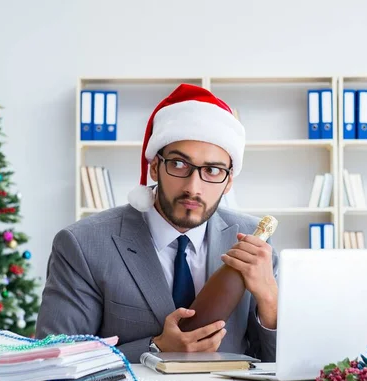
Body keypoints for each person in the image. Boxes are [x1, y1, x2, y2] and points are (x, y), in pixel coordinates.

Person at [35, 83, 279, 363]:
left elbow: (274, 364)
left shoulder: (253, 240)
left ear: (228, 182)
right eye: (178, 164)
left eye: (212, 170)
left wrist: (270, 301)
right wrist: (154, 348)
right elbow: (53, 358)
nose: (193, 187)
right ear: (154, 166)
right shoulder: (83, 245)